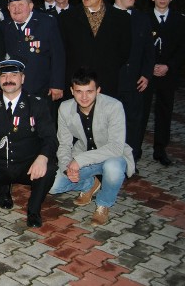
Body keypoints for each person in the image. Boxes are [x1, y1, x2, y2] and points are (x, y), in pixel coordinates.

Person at [0, 59, 58, 228]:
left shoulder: (37, 104)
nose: (8, 79)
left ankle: (34, 210)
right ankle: (2, 193)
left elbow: (50, 138)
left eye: (14, 75)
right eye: (4, 75)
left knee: (49, 168)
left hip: (26, 165)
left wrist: (42, 158)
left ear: (23, 78)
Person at [50, 68, 135, 226]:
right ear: (72, 91)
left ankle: (103, 204)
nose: (84, 97)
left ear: (98, 90)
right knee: (53, 185)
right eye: (79, 91)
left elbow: (116, 147)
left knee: (114, 168)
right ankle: (90, 184)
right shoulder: (65, 108)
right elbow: (64, 144)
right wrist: (67, 167)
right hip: (83, 155)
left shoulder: (113, 106)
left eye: (89, 91)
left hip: (112, 156)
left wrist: (78, 161)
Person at [141, 0, 185, 166]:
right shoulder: (142, 19)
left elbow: (183, 48)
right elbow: (138, 47)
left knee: (165, 112)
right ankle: (135, 151)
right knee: (141, 112)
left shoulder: (180, 21)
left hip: (168, 75)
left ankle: (160, 150)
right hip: (146, 74)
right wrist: (149, 66)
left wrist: (168, 66)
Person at [59, 0, 131, 98]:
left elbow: (124, 51)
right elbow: (62, 51)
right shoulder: (67, 18)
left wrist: (108, 67)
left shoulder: (121, 19)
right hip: (77, 84)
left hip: (107, 83)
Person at [0, 0, 65, 113]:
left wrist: (57, 84)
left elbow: (58, 55)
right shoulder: (3, 27)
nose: (16, 9)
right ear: (8, 8)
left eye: (21, 4)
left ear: (30, 6)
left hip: (41, 88)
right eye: (12, 5)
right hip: (12, 91)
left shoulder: (46, 23)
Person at [112, 0, 154, 167]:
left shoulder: (142, 19)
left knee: (133, 123)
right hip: (112, 82)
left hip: (135, 82)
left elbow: (149, 50)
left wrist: (146, 74)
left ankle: (130, 161)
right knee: (110, 124)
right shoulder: (105, 17)